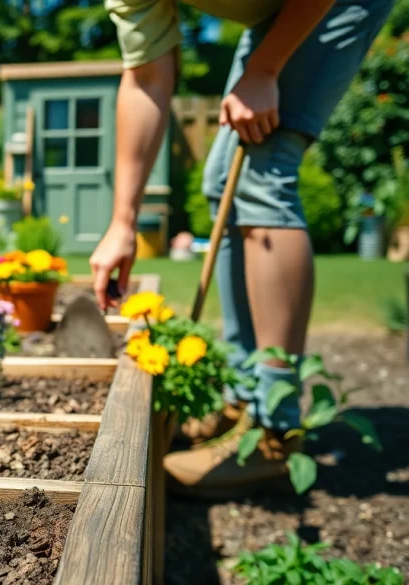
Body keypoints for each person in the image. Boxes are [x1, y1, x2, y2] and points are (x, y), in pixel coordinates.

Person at [91, 0, 394, 497]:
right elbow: (146, 79)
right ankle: (242, 398)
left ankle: (274, 430)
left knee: (262, 172)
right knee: (222, 182)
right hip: (278, 14)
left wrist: (265, 69)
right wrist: (122, 221)